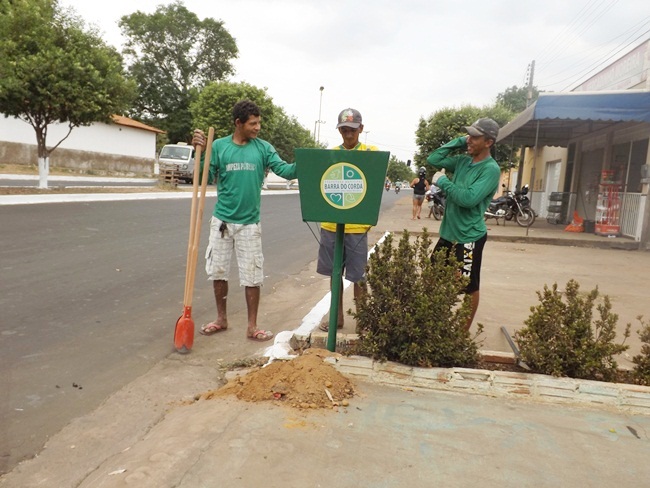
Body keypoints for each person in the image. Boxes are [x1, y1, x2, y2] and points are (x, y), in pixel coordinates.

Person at [192, 100, 297, 342]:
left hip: (249, 223)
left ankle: (252, 326)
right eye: (253, 123)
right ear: (238, 123)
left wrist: (306, 162)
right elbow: (203, 174)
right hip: (222, 221)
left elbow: (286, 171)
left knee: (252, 275)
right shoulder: (219, 146)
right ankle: (221, 319)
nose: (258, 127)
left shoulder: (263, 148)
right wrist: (200, 151)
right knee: (218, 272)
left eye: (259, 122)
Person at [426, 118, 501, 330]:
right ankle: (432, 324)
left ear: (488, 142)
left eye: (475, 137)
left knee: (468, 286)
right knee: (432, 280)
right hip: (448, 234)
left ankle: (460, 334)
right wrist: (460, 141)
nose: (469, 140)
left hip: (469, 238)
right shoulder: (462, 161)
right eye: (468, 135)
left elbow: (468, 199)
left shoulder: (490, 169)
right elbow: (433, 158)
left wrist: (442, 181)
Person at [317, 108, 378, 331]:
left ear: (361, 129)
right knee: (335, 275)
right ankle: (337, 317)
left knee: (359, 276)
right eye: (343, 129)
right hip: (331, 224)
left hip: (356, 226)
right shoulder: (331, 154)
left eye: (352, 129)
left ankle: (363, 320)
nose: (348, 134)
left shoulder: (370, 152)